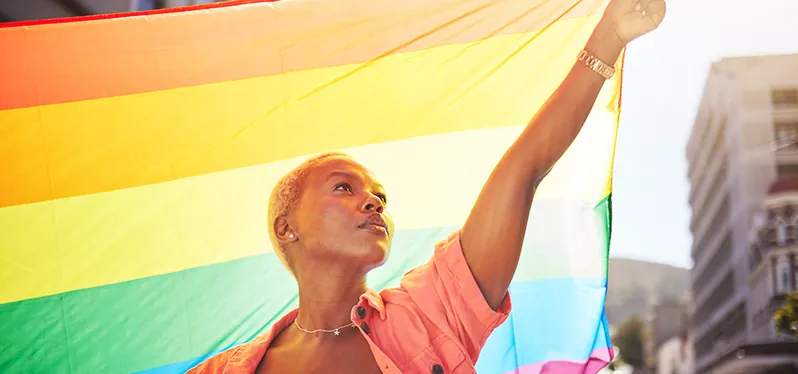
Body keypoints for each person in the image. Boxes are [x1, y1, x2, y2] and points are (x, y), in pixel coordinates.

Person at [189, 0, 665, 372]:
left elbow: (522, 172)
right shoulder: (222, 370)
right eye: (343, 188)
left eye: (379, 195)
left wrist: (606, 40)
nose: (373, 200)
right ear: (287, 228)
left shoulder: (428, 318)